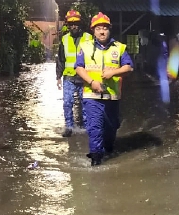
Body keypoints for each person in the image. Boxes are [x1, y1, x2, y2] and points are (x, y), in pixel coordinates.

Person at [74, 12, 134, 166]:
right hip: (91, 96)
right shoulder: (85, 47)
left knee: (111, 128)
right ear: (93, 31)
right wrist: (92, 81)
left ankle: (107, 148)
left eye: (105, 28)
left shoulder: (119, 48)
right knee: (94, 127)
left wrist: (113, 72)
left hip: (112, 98)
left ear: (109, 30)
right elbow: (79, 68)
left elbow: (129, 68)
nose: (102, 31)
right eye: (98, 28)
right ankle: (96, 159)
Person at [55, 9, 93, 136]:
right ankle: (69, 127)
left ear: (80, 23)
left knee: (86, 103)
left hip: (85, 78)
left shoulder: (89, 38)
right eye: (70, 24)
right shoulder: (64, 39)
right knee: (67, 102)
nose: (73, 26)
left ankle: (87, 128)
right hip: (69, 77)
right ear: (67, 25)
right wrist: (58, 77)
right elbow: (61, 59)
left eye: (75, 23)